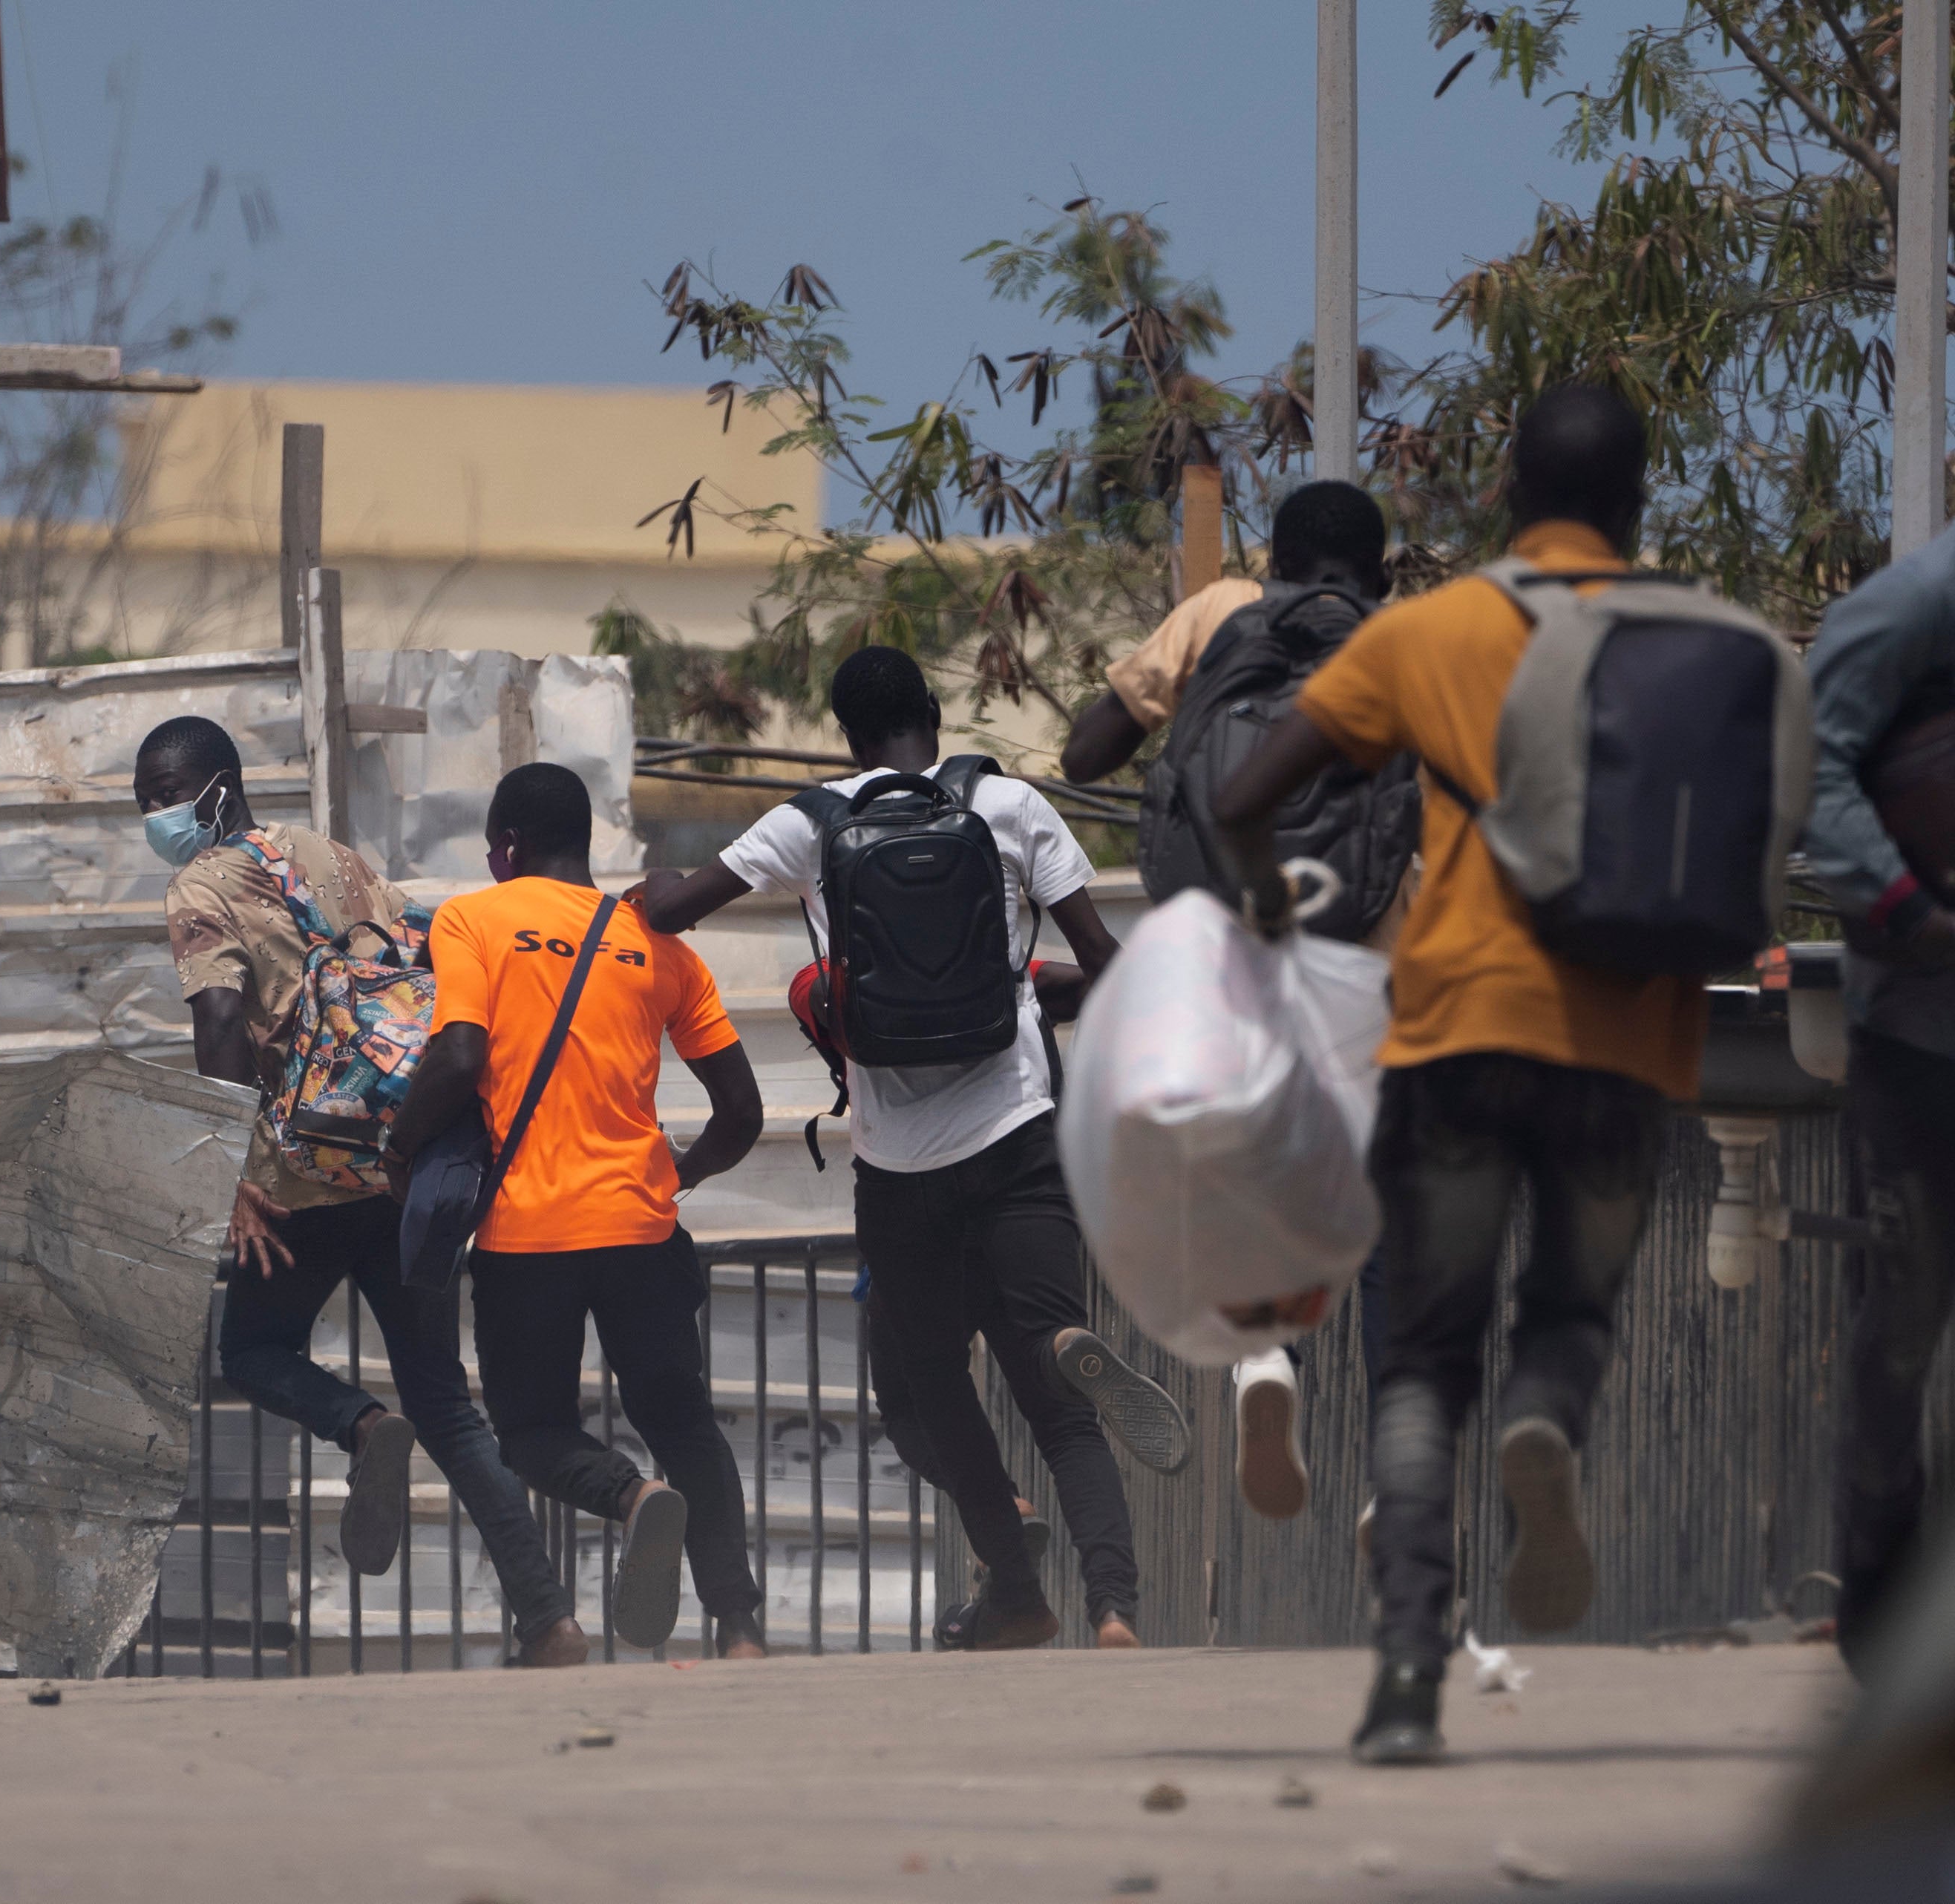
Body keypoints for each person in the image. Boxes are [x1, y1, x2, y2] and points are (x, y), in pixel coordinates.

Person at [1214, 384, 1708, 1763]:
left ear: (1503, 495)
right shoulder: (1701, 641)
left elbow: (1245, 796)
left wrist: (1266, 916)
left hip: (1455, 1032)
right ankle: (1546, 1419)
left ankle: (1404, 1685)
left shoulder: (1426, 632)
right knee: (1563, 1318)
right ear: (1637, 501)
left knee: (1422, 1366)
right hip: (1625, 1040)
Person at [636, 646, 1185, 1652]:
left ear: (846, 734)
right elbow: (1106, 965)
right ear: (934, 713)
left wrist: (659, 883)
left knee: (934, 1386)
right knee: (1061, 1400)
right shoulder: (1014, 807)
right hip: (1020, 1133)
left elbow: (672, 911)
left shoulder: (811, 819)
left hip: (898, 1167)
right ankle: (1115, 1608)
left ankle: (1017, 1591)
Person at [134, 717, 587, 1667]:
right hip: (392, 1163)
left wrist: (228, 1174)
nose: (156, 817)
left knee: (254, 1350)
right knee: (451, 1407)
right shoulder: (333, 857)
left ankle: (361, 1426)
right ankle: (548, 1618)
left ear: (217, 788)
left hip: (296, 1179)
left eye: (164, 796)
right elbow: (415, 967)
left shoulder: (199, 887)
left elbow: (219, 1028)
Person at [1063, 478, 1407, 1524]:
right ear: (1380, 574)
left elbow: (1084, 755)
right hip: (1364, 956)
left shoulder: (1218, 615)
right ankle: (1400, 1466)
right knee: (1386, 1214)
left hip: (1227, 957)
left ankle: (1264, 1359)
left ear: (1274, 559)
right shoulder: (1408, 643)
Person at [390, 763, 773, 1657]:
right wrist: (676, 1175)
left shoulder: (471, 920)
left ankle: (629, 1495)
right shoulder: (658, 944)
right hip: (640, 1228)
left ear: (508, 845)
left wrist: (398, 1150)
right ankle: (741, 1628)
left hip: (527, 1237)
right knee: (685, 1426)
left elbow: (455, 1058)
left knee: (528, 1434)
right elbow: (742, 1115)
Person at [1796, 522, 1955, 1672]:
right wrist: (1912, 910)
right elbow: (1811, 761)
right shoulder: (1907, 612)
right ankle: (1881, 1594)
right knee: (1898, 1326)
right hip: (1918, 1033)